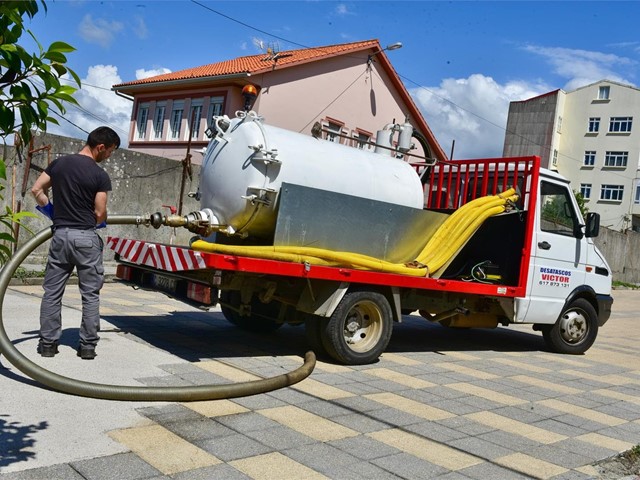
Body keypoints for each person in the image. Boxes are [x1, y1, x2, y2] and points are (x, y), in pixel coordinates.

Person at [31, 126, 120, 360]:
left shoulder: (59, 164)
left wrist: (51, 211)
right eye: (110, 151)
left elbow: (36, 189)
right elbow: (100, 212)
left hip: (60, 235)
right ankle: (88, 347)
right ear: (100, 147)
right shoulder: (99, 175)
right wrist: (95, 219)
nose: (109, 156)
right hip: (86, 238)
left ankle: (48, 344)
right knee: (90, 294)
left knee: (52, 292)